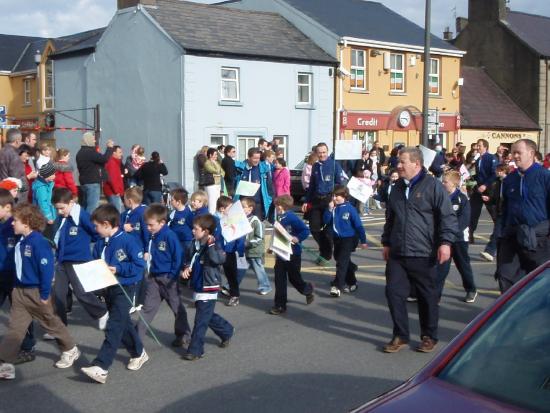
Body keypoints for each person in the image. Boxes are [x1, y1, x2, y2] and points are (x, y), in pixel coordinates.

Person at [381, 147, 456, 354]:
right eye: (398, 161)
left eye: (403, 161)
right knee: (394, 293)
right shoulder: (396, 187)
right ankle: (400, 335)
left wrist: (445, 243)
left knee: (427, 296)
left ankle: (429, 336)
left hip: (424, 252)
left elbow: (447, 217)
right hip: (398, 251)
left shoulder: (433, 186)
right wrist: (386, 242)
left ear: (417, 164)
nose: (399, 165)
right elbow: (391, 218)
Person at [0, 204, 80, 380]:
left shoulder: (38, 242)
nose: (13, 224)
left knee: (50, 323)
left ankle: (70, 349)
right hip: (20, 292)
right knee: (15, 328)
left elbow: (46, 270)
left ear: (27, 223)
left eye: (16, 221)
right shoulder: (22, 240)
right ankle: (5, 365)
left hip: (36, 292)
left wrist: (44, 294)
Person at [81, 204, 149, 383]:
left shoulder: (128, 241)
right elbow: (95, 262)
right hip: (108, 287)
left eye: (96, 226)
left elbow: (139, 265)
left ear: (106, 224)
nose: (95, 229)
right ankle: (138, 352)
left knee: (114, 325)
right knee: (124, 322)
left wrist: (118, 268)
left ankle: (101, 366)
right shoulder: (99, 243)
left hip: (125, 287)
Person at [496, 139, 550, 293]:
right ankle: (510, 314)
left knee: (541, 282)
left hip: (538, 240)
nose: (515, 156)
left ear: (532, 153)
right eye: (513, 152)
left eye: (519, 152)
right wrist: (500, 233)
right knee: (504, 276)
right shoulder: (510, 180)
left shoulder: (545, 177)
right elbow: (504, 209)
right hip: (512, 236)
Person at [51, 187, 108, 328]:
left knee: (81, 293)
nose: (59, 212)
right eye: (57, 209)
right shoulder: (61, 218)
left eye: (62, 208)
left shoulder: (82, 216)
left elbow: (96, 234)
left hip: (79, 260)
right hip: (62, 260)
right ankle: (60, 326)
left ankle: (101, 312)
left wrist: (92, 250)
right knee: (58, 294)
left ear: (71, 203)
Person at [181, 214, 234, 361]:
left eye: (196, 229)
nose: (193, 231)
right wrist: (186, 268)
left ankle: (196, 350)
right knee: (206, 316)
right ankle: (227, 330)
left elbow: (218, 259)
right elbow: (188, 258)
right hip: (197, 285)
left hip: (209, 286)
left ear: (205, 231)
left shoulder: (215, 244)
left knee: (200, 320)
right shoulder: (194, 243)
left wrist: (210, 245)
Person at [136, 204, 191, 345]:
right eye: (147, 225)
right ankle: (136, 338)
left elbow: (178, 256)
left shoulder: (169, 235)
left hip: (168, 278)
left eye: (151, 225)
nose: (148, 228)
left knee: (176, 307)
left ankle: (183, 334)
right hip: (154, 278)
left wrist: (172, 276)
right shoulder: (153, 236)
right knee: (148, 308)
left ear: (162, 223)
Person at [0, 189, 36, 364]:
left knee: (21, 313)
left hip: (15, 277)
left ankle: (27, 347)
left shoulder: (16, 225)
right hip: (0, 275)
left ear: (7, 207)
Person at [436, 170, 477, 303]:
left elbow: (464, 221)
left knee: (463, 265)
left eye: (445, 181)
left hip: (459, 239)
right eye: (442, 181)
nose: (442, 183)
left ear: (454, 183)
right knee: (441, 267)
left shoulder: (462, 199)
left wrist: (451, 234)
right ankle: (435, 294)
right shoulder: (440, 197)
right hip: (443, 239)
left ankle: (471, 289)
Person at [270, 195, 315, 315]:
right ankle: (280, 304)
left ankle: (307, 290)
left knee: (294, 278)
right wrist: (272, 247)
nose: (275, 208)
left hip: (293, 254)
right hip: (281, 254)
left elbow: (305, 230)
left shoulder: (292, 218)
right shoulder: (279, 217)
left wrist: (297, 238)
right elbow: (277, 235)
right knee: (279, 279)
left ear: (280, 206)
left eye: (276, 206)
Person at [302, 143, 344, 265]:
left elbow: (339, 184)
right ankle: (325, 250)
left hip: (329, 200)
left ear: (327, 151)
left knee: (328, 231)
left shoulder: (334, 165)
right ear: (316, 153)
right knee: (314, 228)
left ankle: (325, 254)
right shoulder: (315, 166)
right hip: (316, 200)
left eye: (324, 152)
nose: (322, 154)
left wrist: (334, 199)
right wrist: (306, 201)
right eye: (319, 152)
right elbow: (312, 186)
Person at [324, 185, 368, 297]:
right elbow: (325, 220)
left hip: (349, 238)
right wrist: (329, 210)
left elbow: (358, 226)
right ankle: (352, 280)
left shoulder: (350, 209)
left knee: (341, 263)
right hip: (337, 239)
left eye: (337, 196)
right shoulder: (333, 208)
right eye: (333, 196)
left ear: (344, 196)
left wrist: (363, 241)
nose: (334, 198)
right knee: (339, 258)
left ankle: (338, 286)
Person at [121, 186, 150, 311]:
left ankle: (136, 301)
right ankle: (138, 301)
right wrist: (123, 227)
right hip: (129, 250)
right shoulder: (127, 214)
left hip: (139, 250)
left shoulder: (143, 213)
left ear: (130, 200)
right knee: (137, 274)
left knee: (138, 276)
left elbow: (146, 233)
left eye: (124, 199)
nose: (123, 202)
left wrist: (146, 250)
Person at [76, 132, 114, 213]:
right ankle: (89, 224)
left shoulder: (80, 153)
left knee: (85, 205)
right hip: (92, 183)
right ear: (88, 140)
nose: (94, 141)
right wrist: (109, 148)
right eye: (93, 139)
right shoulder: (89, 152)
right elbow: (104, 159)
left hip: (84, 182)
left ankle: (82, 223)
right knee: (92, 207)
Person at [218, 197, 246, 307]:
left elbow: (240, 237)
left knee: (231, 274)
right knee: (213, 272)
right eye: (230, 208)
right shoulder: (217, 220)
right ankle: (209, 293)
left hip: (229, 252)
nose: (233, 210)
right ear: (222, 209)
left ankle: (235, 295)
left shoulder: (234, 219)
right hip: (218, 251)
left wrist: (240, 251)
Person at [241, 197, 272, 295]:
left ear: (250, 209)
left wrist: (248, 243)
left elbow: (259, 237)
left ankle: (265, 287)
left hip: (254, 251)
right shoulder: (241, 219)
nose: (241, 209)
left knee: (259, 270)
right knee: (239, 270)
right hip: (244, 250)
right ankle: (230, 287)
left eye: (243, 207)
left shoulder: (255, 221)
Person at [469, 139, 498, 243]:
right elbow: (479, 174)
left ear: (485, 147)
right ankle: (470, 234)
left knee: (494, 213)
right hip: (478, 188)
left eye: (480, 146)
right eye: (477, 145)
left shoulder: (491, 158)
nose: (478, 148)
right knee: (473, 212)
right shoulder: (478, 159)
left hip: (488, 189)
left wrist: (485, 185)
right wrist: (471, 177)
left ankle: (498, 235)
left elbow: (494, 174)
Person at [234, 147, 273, 221]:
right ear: (249, 157)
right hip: (243, 203)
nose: (257, 160)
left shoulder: (264, 169)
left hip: (257, 203)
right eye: (254, 158)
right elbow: (234, 182)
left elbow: (269, 186)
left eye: (258, 158)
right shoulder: (240, 168)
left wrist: (270, 199)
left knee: (257, 224)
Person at [480, 165, 508, 262]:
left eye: (499, 171)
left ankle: (491, 251)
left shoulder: (509, 181)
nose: (497, 173)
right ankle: (491, 251)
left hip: (508, 211)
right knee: (498, 231)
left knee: (499, 232)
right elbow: (496, 196)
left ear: (504, 171)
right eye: (497, 171)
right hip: (501, 211)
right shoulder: (498, 182)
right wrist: (489, 199)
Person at [0, 129, 27, 203]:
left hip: (3, 193)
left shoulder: (2, 151)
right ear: (17, 141)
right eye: (21, 140)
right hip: (14, 196)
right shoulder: (14, 155)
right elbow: (17, 179)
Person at [32, 162, 57, 239]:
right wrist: (48, 217)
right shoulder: (41, 188)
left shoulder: (48, 183)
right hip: (44, 217)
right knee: (47, 235)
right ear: (47, 175)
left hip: (50, 213)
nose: (55, 176)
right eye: (53, 174)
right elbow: (43, 204)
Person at [103, 145, 125, 213]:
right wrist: (117, 191)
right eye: (120, 152)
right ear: (114, 153)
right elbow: (112, 179)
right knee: (117, 212)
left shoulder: (115, 162)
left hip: (114, 192)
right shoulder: (112, 163)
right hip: (113, 192)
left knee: (115, 211)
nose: (121, 154)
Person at [203, 147, 224, 214]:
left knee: (217, 202)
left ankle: (215, 216)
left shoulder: (217, 162)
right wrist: (215, 165)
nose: (216, 156)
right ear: (210, 155)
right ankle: (211, 217)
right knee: (212, 202)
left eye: (216, 155)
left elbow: (223, 172)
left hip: (217, 184)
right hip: (211, 184)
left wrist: (219, 172)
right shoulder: (207, 163)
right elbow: (215, 171)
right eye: (215, 154)